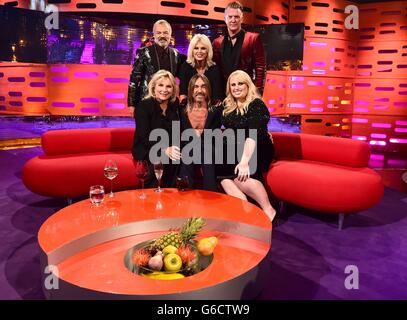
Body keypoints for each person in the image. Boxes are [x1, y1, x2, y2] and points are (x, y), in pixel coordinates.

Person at [217, 70, 276, 222]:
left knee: (237, 171)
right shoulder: (228, 105)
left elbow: (252, 135)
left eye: (240, 83)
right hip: (238, 146)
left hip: (258, 145)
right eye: (233, 84)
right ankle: (243, 208)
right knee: (220, 168)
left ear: (248, 85)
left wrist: (243, 162)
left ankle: (268, 209)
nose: (236, 87)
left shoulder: (256, 104)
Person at [132, 70, 181, 188]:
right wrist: (165, 149)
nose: (164, 89)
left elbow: (176, 131)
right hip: (146, 148)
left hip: (168, 147)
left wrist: (175, 148)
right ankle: (151, 197)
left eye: (168, 86)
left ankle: (173, 196)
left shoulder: (174, 105)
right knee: (160, 158)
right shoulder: (144, 106)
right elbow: (144, 137)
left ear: (173, 89)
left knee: (181, 157)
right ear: (153, 87)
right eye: (161, 85)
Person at [127, 20, 185, 116]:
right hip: (147, 102)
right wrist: (131, 104)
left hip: (168, 103)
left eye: (165, 33)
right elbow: (134, 80)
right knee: (146, 131)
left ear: (170, 35)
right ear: (154, 35)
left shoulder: (175, 54)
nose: (162, 36)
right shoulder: (143, 52)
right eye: (159, 33)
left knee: (170, 130)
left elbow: (182, 76)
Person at [179, 74, 222, 192]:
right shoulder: (182, 108)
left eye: (203, 87)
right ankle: (203, 192)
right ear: (190, 90)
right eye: (196, 87)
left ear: (208, 89)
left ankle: (204, 194)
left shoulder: (216, 108)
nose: (199, 90)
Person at [212, 1, 266, 93]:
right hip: (224, 92)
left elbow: (260, 68)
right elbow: (215, 70)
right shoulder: (217, 42)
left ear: (241, 19)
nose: (233, 20)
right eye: (230, 17)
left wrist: (257, 91)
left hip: (247, 92)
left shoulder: (253, 38)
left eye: (236, 17)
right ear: (225, 19)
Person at [179, 34, 223, 106]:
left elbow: (217, 97)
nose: (199, 51)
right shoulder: (185, 67)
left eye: (203, 48)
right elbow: (183, 94)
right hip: (190, 108)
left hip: (210, 108)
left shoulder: (214, 68)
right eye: (196, 48)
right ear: (192, 50)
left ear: (208, 51)